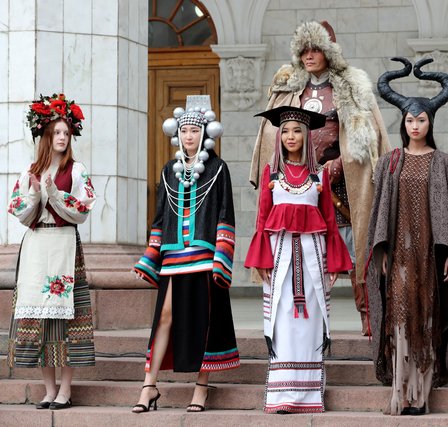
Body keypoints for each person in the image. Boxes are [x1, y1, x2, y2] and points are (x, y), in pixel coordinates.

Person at [250, 21, 390, 335]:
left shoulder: (351, 85)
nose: (309, 56)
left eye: (316, 49)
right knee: (302, 253)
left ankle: (369, 316)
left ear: (329, 51)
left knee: (358, 251)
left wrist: (339, 165)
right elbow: (273, 135)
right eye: (304, 50)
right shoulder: (287, 86)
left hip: (343, 185)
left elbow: (368, 136)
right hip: (299, 184)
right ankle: (303, 324)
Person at [366, 58, 448, 416]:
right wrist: (380, 253)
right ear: (403, 123)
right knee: (399, 321)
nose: (415, 125)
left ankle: (421, 396)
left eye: (421, 119)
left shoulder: (445, 162)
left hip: (429, 255)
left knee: (426, 319)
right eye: (410, 119)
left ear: (431, 122)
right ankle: (400, 394)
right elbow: (379, 212)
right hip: (398, 255)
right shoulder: (389, 162)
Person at [132, 96, 239, 413]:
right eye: (184, 131)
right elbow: (161, 217)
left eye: (194, 130)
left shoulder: (218, 170)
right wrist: (152, 254)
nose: (189, 136)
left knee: (205, 320)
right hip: (173, 257)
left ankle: (202, 387)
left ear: (205, 134)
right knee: (164, 317)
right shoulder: (168, 172)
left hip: (205, 256)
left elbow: (225, 213)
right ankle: (149, 386)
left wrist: (223, 256)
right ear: (177, 135)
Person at [245, 106, 352, 414]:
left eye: (297, 131)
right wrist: (262, 260)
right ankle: (282, 396)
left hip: (312, 260)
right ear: (280, 136)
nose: (292, 136)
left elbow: (330, 222)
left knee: (309, 322)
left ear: (307, 136)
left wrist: (333, 262)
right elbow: (262, 219)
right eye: (287, 131)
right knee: (283, 321)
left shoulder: (319, 177)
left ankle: (309, 396)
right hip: (279, 260)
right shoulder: (271, 175)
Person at [7, 93, 95, 410]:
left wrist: (56, 195)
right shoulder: (29, 171)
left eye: (66, 133)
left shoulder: (77, 169)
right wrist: (34, 193)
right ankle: (49, 389)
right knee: (41, 319)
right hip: (36, 246)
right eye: (56, 132)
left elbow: (83, 208)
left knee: (65, 320)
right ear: (45, 135)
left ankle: (66, 390)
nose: (61, 138)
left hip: (64, 246)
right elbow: (19, 212)